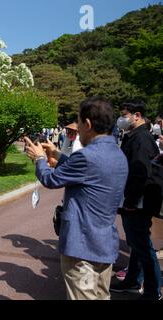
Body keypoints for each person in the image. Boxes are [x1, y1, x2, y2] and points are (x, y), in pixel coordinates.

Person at [25, 97, 128, 300]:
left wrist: (39, 158)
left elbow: (50, 179)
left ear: (88, 124)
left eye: (78, 123)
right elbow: (88, 172)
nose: (77, 129)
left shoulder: (87, 156)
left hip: (82, 248)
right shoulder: (117, 154)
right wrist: (58, 155)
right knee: (100, 296)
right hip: (104, 244)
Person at [110, 100, 162, 300]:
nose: (121, 119)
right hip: (135, 202)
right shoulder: (137, 137)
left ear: (137, 115)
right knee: (137, 244)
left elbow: (140, 173)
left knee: (143, 247)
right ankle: (132, 281)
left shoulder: (141, 139)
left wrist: (130, 202)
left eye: (125, 114)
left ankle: (152, 290)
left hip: (137, 204)